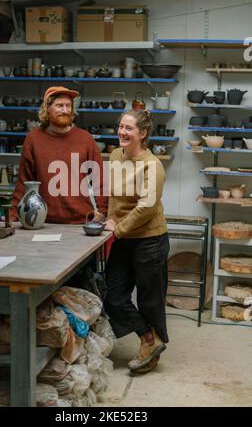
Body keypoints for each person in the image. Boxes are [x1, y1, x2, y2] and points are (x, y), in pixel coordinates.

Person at [104, 109, 169, 375]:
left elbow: (146, 208)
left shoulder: (153, 166)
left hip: (149, 240)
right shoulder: (115, 155)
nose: (122, 132)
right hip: (123, 236)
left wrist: (117, 230)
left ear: (142, 134)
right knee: (113, 295)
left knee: (150, 301)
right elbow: (114, 196)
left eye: (129, 128)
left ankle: (149, 344)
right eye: (120, 126)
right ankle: (149, 339)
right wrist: (109, 219)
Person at [11, 86, 107, 223]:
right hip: (42, 220)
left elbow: (100, 180)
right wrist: (14, 213)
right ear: (47, 109)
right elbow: (24, 181)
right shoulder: (33, 139)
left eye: (68, 106)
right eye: (59, 105)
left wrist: (103, 211)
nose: (65, 110)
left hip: (80, 221)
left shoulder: (85, 139)